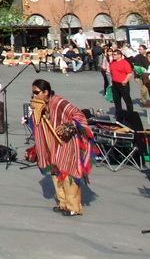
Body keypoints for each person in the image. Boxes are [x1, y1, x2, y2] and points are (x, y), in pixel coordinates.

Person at [29, 79, 93, 217]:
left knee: (67, 173)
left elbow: (79, 115)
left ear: (46, 92)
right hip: (50, 144)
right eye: (33, 93)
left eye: (37, 93)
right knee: (55, 172)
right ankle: (62, 203)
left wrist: (67, 127)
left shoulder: (59, 102)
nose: (34, 96)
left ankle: (74, 207)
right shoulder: (41, 104)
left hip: (66, 143)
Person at [107, 49, 134, 116]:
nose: (113, 56)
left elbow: (129, 73)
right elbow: (112, 71)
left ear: (119, 55)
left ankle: (130, 113)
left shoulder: (125, 63)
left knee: (127, 99)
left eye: (115, 54)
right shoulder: (113, 62)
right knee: (116, 99)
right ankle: (119, 112)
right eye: (113, 54)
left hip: (123, 83)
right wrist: (111, 79)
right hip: (115, 83)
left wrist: (125, 81)